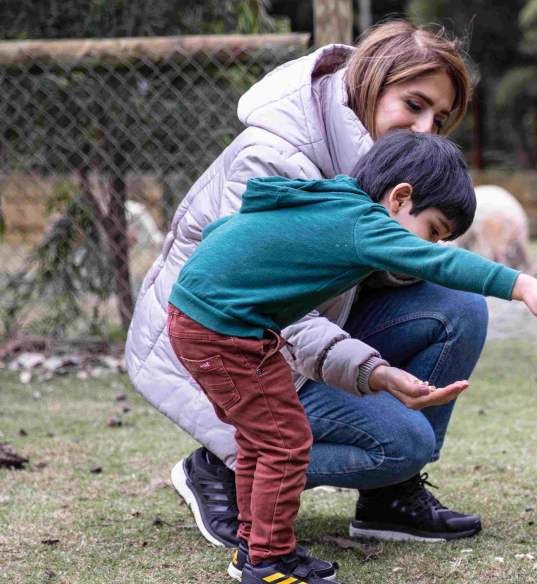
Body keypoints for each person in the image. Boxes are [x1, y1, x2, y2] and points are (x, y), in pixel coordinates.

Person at [124, 21, 504, 550]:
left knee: (459, 307)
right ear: (371, 84)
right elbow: (267, 306)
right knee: (401, 442)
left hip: (300, 340)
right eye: (413, 105)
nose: (424, 129)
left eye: (438, 119)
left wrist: (405, 253)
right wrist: (373, 369)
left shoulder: (383, 166)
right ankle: (225, 470)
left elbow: (356, 279)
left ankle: (390, 501)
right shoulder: (273, 157)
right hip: (229, 351)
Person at [169, 131, 537, 584]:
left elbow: (229, 232)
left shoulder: (332, 206)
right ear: (400, 199)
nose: (431, 246)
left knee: (263, 439)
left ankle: (253, 548)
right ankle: (267, 567)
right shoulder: (363, 222)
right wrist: (523, 285)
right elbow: (436, 262)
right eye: (434, 228)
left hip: (221, 320)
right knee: (284, 441)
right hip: (220, 329)